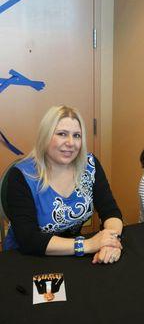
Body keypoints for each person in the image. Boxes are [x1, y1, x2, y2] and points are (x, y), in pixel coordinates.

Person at [4, 105, 123, 264]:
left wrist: (111, 241)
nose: (71, 143)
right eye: (62, 134)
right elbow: (29, 239)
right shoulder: (20, 176)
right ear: (45, 137)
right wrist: (87, 244)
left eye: (77, 136)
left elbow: (110, 211)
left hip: (71, 254)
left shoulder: (90, 165)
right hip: (27, 257)